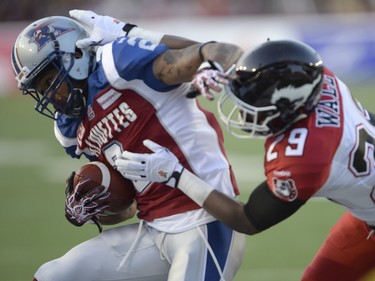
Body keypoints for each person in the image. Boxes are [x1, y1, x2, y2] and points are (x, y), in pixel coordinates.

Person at [11, 10, 246, 281]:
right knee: (52, 276)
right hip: (153, 230)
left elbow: (217, 52)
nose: (51, 95)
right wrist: (92, 206)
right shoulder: (70, 128)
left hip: (206, 220)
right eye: (41, 90)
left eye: (50, 81)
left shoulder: (116, 65)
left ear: (73, 57)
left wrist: (133, 34)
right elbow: (128, 205)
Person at [115, 39, 375, 281]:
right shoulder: (318, 80)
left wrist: (177, 176)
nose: (242, 111)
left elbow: (247, 219)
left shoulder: (305, 157)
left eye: (252, 104)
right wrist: (217, 67)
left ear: (286, 108)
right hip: (366, 215)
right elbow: (266, 67)